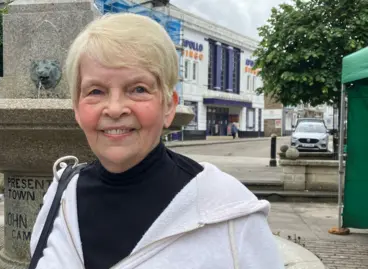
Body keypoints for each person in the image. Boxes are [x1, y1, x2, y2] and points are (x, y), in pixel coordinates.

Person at [30, 13, 284, 269]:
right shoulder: (61, 196)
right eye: (96, 91)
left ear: (168, 106)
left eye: (138, 89)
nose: (115, 109)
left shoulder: (231, 214)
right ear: (76, 108)